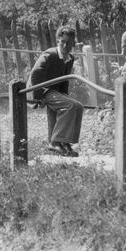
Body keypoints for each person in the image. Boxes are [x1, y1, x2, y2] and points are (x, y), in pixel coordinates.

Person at [28, 25, 84, 157]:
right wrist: (37, 96)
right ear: (58, 41)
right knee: (70, 105)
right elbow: (36, 74)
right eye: (62, 42)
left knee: (78, 106)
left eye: (68, 42)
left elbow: (65, 80)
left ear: (73, 44)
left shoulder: (70, 58)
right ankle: (55, 142)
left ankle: (66, 143)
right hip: (42, 89)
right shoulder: (50, 54)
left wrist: (64, 96)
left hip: (54, 91)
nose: (65, 45)